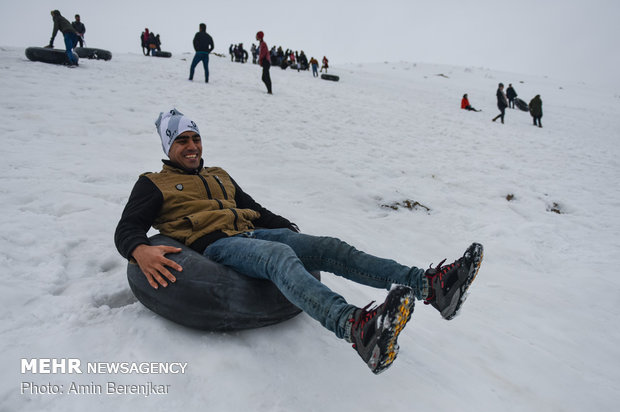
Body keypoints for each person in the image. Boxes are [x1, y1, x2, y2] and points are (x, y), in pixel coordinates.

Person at [114, 108, 484, 374]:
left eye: (195, 137)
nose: (192, 145)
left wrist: (290, 229)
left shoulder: (219, 174)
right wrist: (139, 249)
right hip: (215, 245)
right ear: (168, 146)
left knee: (329, 247)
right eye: (182, 140)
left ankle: (431, 286)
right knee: (277, 256)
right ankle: (355, 327)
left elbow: (253, 208)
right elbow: (127, 228)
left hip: (251, 230)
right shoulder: (153, 183)